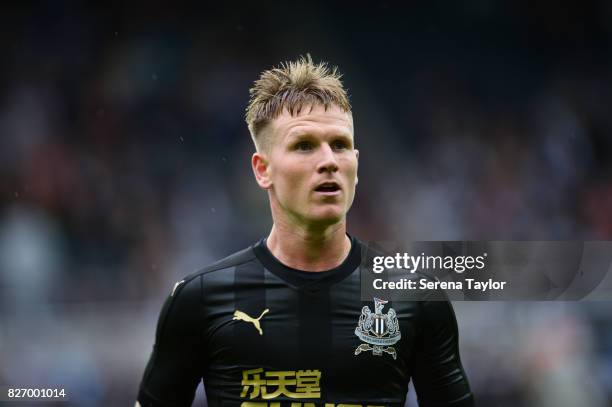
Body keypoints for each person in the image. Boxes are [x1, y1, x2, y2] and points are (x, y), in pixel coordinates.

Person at [136, 55, 474, 407]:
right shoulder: (200, 299)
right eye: (304, 145)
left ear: (355, 166)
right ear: (262, 169)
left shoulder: (415, 298)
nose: (328, 160)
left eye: (340, 145)